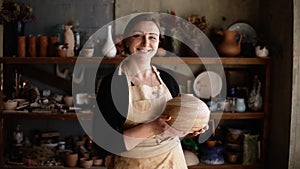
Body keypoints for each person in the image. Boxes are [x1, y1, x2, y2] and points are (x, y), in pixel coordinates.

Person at [93, 13, 209, 169]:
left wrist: (190, 127)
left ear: (158, 42)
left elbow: (171, 128)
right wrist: (150, 127)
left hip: (173, 162)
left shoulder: (168, 79)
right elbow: (103, 144)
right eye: (137, 36)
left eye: (152, 37)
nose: (145, 43)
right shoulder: (112, 84)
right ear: (127, 41)